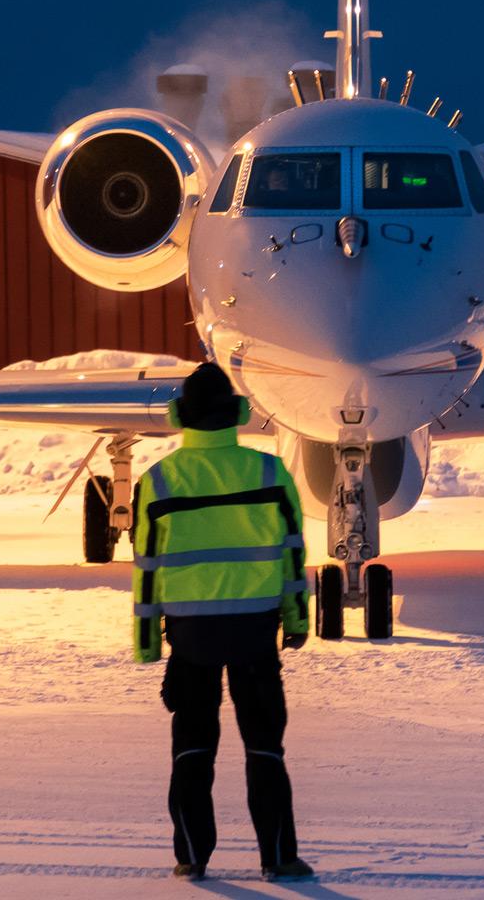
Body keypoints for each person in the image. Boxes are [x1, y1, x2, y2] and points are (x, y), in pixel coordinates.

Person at [132, 362, 314, 883]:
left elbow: (147, 572)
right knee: (264, 748)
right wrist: (296, 619)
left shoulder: (158, 481)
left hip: (190, 639)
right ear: (237, 413)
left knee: (192, 748)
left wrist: (148, 643)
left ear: (177, 416)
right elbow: (291, 556)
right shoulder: (269, 473)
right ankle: (279, 857)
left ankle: (192, 856)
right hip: (255, 632)